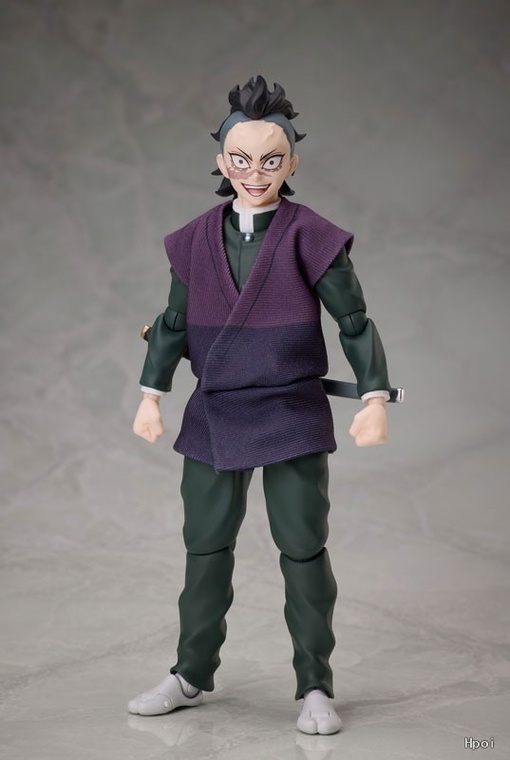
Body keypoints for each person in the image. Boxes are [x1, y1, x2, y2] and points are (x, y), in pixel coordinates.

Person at [127, 75, 391, 735]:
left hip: (292, 409)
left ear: (292, 164)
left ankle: (315, 684)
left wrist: (375, 395)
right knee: (204, 547)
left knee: (303, 548)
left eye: (271, 160)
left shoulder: (311, 235)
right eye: (241, 160)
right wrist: (152, 393)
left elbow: (353, 320)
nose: (255, 173)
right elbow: (172, 321)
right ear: (221, 162)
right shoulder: (193, 240)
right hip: (214, 410)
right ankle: (190, 672)